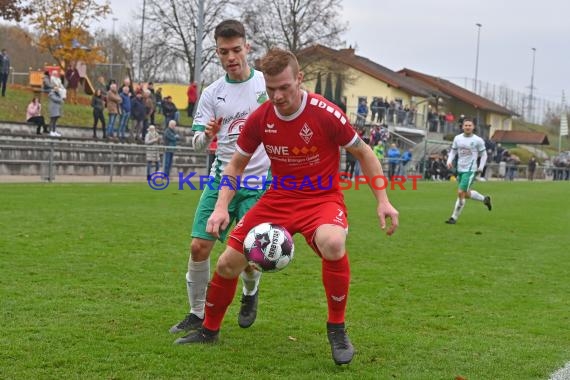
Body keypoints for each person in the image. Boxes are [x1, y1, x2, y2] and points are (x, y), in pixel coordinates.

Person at [180, 47, 399, 366]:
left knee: (334, 243)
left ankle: (336, 328)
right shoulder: (261, 118)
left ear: (299, 79)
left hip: (321, 199)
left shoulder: (325, 113)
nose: (278, 96)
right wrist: (221, 207)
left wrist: (383, 200)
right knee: (227, 263)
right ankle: (209, 330)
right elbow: (235, 165)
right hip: (278, 198)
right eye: (271, 89)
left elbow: (364, 153)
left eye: (285, 87)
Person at [169, 19, 271, 344]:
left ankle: (250, 290)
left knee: (247, 259)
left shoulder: (266, 88)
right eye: (224, 51)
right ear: (217, 52)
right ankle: (197, 313)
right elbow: (197, 141)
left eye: (236, 50)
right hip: (220, 180)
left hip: (259, 185)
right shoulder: (213, 93)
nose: (231, 57)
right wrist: (206, 136)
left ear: (247, 48)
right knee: (199, 246)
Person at [445, 118, 492, 224]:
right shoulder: (457, 138)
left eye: (470, 125)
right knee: (465, 194)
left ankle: (454, 218)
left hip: (470, 170)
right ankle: (484, 199)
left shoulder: (478, 140)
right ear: (462, 126)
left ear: (473, 127)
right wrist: (449, 160)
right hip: (460, 169)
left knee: (461, 192)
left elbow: (484, 155)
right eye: (466, 125)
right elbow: (453, 151)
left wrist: (481, 167)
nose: (467, 127)